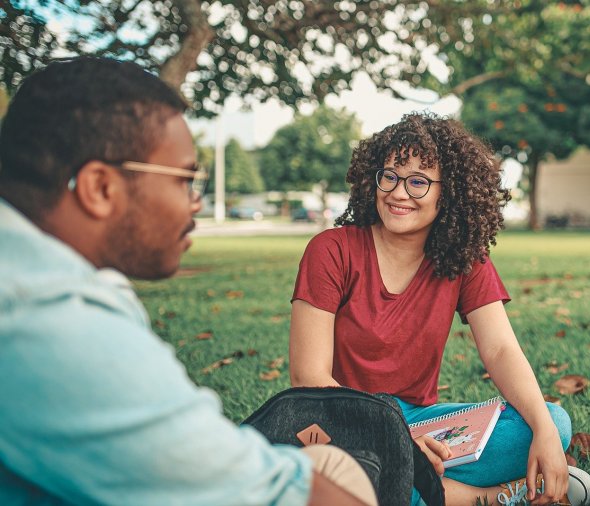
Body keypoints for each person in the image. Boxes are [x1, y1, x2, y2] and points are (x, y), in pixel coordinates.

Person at [0, 57, 375, 506]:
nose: (195, 203)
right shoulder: (52, 323)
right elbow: (288, 496)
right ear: (100, 188)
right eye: (185, 179)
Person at [289, 112, 590, 506]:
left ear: (448, 192)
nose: (399, 193)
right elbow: (308, 378)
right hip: (340, 424)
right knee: (343, 474)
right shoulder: (331, 251)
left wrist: (544, 433)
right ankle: (489, 498)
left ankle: (409, 488)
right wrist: (397, 442)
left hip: (419, 424)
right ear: (373, 179)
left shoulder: (464, 259)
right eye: (390, 176)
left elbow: (500, 350)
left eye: (418, 181)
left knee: (552, 421)